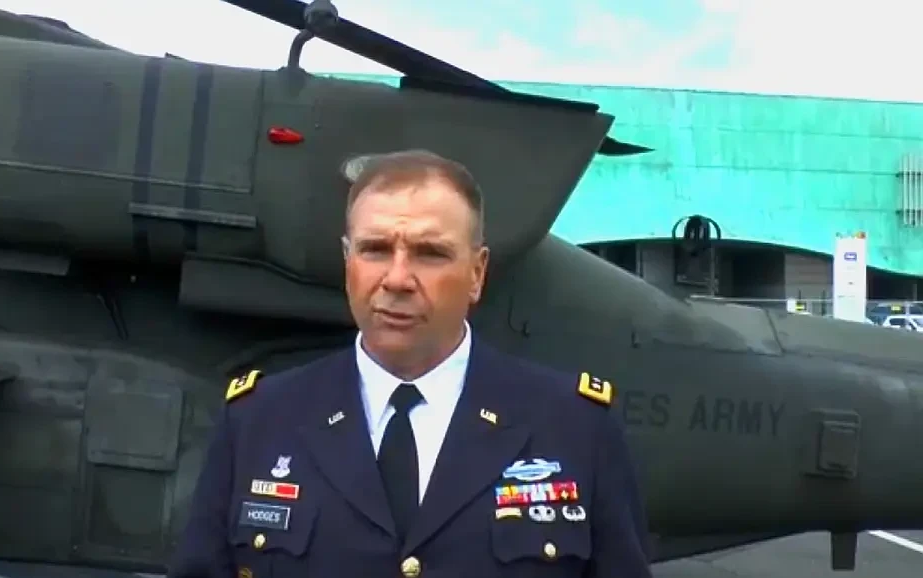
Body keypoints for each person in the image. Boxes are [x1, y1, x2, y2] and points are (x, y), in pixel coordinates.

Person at [168, 149, 653, 578]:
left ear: (477, 273)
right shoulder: (258, 420)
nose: (397, 279)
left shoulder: (574, 428)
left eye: (430, 253)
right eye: (375, 249)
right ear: (347, 261)